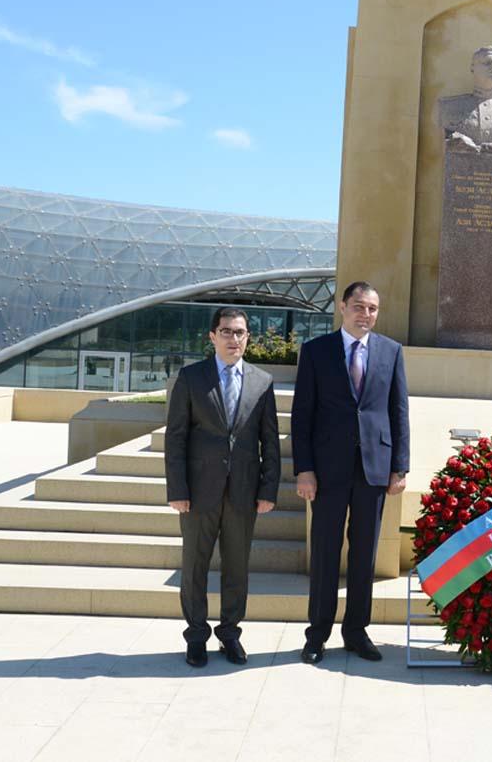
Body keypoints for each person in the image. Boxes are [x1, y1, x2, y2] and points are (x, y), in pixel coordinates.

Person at [292, 281, 410, 664]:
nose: (366, 315)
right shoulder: (315, 352)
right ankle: (317, 635)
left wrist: (400, 466)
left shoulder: (391, 352)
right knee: (326, 554)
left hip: (374, 470)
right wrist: (304, 470)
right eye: (359, 307)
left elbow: (398, 412)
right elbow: (302, 417)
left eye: (373, 309)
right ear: (342, 308)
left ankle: (356, 632)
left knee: (365, 555)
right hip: (326, 472)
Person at [164, 307, 281, 668]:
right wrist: (177, 489)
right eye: (227, 332)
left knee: (237, 568)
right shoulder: (191, 378)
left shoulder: (262, 382)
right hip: (198, 492)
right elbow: (176, 438)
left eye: (241, 333)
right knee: (195, 566)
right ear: (212, 336)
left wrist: (268, 490)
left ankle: (230, 634)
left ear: (248, 338)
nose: (235, 339)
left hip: (243, 493)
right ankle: (196, 636)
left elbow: (270, 442)